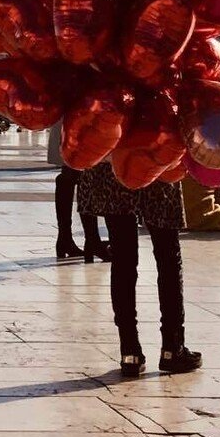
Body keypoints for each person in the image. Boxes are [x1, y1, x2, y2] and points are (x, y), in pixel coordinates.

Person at [78, 159, 201, 376]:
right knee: (168, 257)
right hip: (158, 158)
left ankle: (129, 351)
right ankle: (172, 347)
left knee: (122, 259)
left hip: (116, 164)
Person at [49, 122, 111, 262]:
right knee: (82, 172)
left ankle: (66, 237)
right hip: (82, 121)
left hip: (70, 120)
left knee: (69, 174)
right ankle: (91, 239)